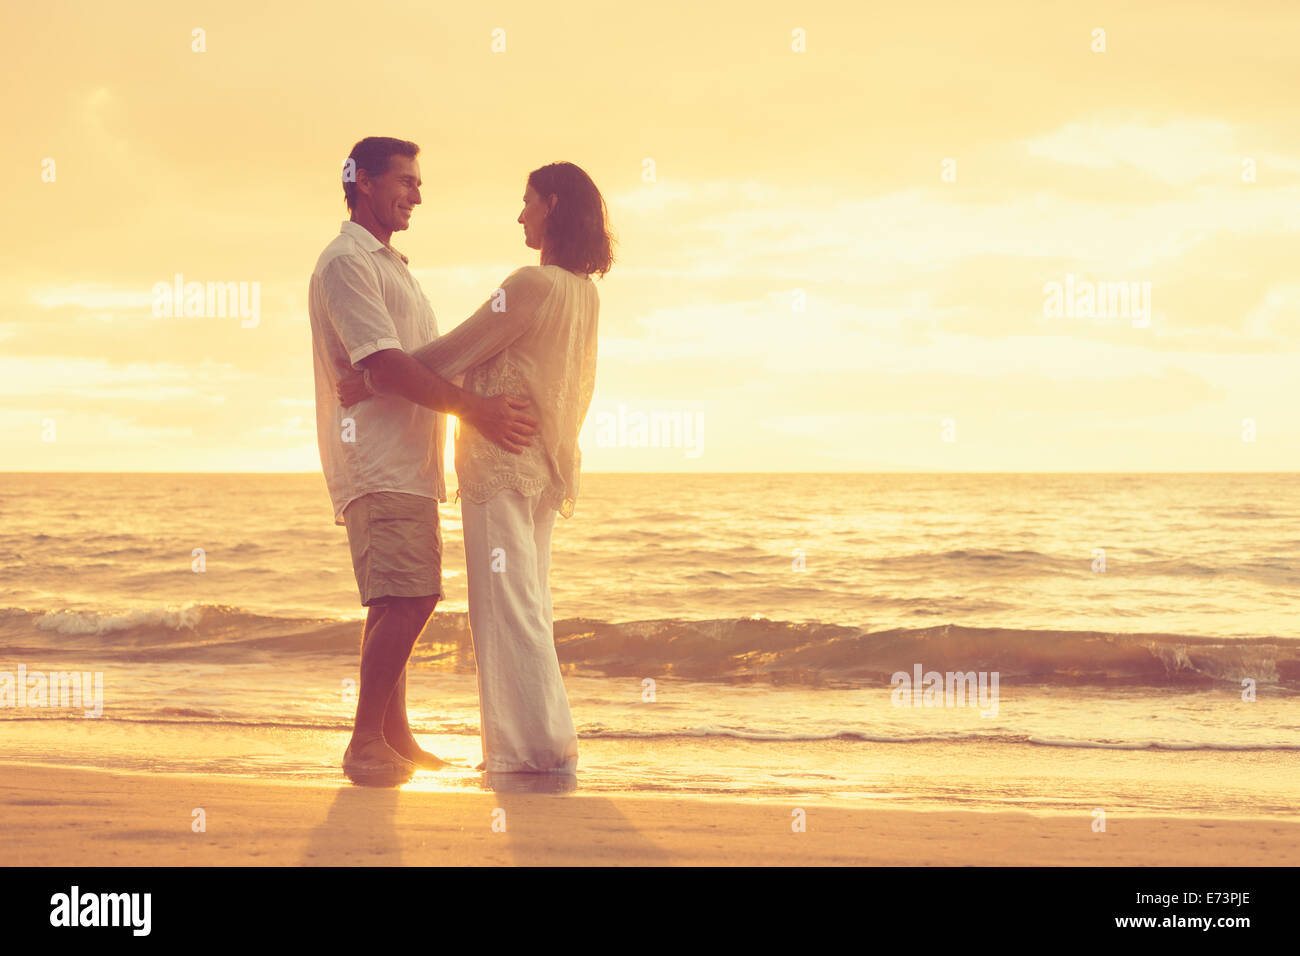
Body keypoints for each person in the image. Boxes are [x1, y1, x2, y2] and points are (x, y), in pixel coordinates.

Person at [337, 161, 614, 773]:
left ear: (553, 207)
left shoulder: (531, 284)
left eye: (528, 202)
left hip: (498, 463)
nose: (521, 215)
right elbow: (578, 389)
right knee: (529, 602)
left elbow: (456, 349)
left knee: (504, 607)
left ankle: (519, 752)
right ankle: (547, 744)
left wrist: (371, 376)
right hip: (542, 466)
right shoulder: (585, 294)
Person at [308, 136, 540, 786]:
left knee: (396, 599)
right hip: (378, 461)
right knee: (411, 597)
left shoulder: (391, 265)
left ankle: (392, 735)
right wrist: (477, 410)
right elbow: (382, 363)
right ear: (363, 182)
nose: (417, 193)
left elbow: (410, 361)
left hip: (407, 464)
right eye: (406, 180)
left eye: (418, 181)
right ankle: (362, 744)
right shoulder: (347, 264)